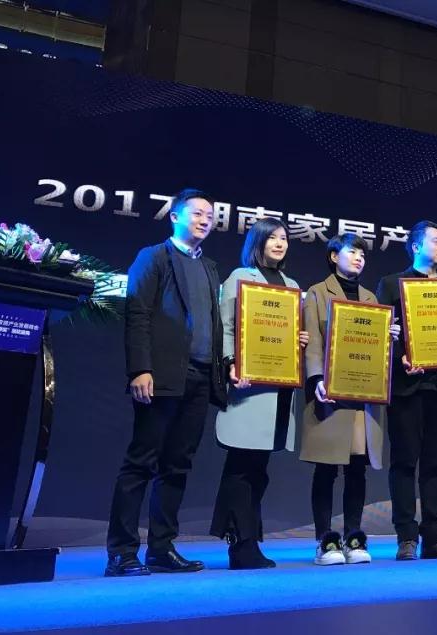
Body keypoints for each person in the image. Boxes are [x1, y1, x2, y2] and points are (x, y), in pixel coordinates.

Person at [105, 189, 227, 577]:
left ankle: (161, 548)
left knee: (177, 466)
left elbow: (214, 325)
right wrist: (140, 369)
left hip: (200, 377)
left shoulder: (209, 267)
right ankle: (122, 552)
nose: (205, 220)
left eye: (211, 216)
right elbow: (137, 314)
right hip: (161, 376)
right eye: (197, 213)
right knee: (141, 461)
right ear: (174, 216)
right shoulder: (154, 257)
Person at [208, 218, 309, 569]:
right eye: (272, 238)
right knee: (241, 467)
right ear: (258, 242)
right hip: (249, 387)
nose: (280, 243)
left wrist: (298, 338)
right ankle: (241, 542)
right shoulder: (240, 277)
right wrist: (230, 362)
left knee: (259, 470)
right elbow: (225, 327)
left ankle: (247, 540)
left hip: (279, 390)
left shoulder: (292, 285)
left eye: (284, 238)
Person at [375, 220, 437, 560]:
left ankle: (435, 537)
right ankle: (406, 536)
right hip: (408, 386)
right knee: (404, 462)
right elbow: (382, 334)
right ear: (416, 246)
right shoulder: (392, 284)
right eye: (435, 240)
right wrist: (400, 356)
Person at [301, 233, 398, 565]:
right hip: (330, 393)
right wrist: (316, 378)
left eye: (362, 255)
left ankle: (354, 537)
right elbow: (313, 341)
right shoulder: (318, 292)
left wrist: (389, 337)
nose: (359, 258)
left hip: (362, 394)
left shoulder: (371, 298)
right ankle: (325, 541)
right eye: (352, 252)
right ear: (334, 257)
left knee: (358, 467)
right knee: (326, 467)